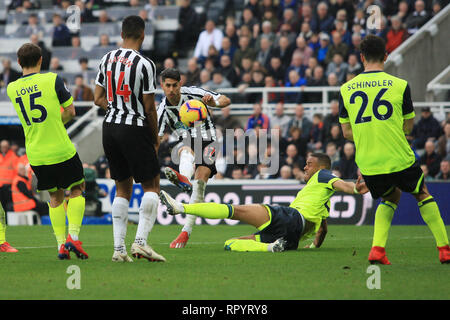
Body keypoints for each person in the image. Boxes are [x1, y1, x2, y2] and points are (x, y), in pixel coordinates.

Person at [338, 35, 449, 264]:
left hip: (369, 161)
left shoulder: (346, 89)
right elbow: (408, 126)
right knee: (422, 193)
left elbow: (347, 132)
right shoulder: (400, 85)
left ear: (361, 58)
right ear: (386, 57)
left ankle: (377, 250)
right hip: (398, 156)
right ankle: (445, 249)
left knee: (391, 195)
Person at [160, 153, 368, 252]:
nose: (305, 167)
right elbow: (322, 228)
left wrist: (355, 189)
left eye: (309, 164)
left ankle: (181, 207)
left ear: (321, 167)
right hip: (291, 237)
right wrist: (313, 246)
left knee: (234, 210)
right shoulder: (323, 202)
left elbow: (342, 184)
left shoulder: (323, 175)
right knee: (230, 243)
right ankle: (271, 248)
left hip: (291, 218)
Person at [7, 43, 87, 260]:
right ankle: (73, 237)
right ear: (41, 60)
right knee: (77, 187)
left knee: (55, 196)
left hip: (36, 153)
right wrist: (57, 122)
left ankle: (61, 246)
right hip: (60, 148)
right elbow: (70, 111)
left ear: (18, 63)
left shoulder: (11, 88)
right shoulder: (53, 79)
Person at [94, 15, 165, 263]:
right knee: (152, 186)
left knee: (122, 189)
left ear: (122, 33)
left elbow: (97, 98)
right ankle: (141, 243)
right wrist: (154, 138)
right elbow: (149, 108)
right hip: (134, 128)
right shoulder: (145, 64)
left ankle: (118, 249)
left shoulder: (107, 58)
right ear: (142, 35)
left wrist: (115, 107)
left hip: (109, 128)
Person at [157, 68, 231, 249]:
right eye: (168, 86)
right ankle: (184, 179)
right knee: (185, 148)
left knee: (200, 184)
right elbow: (157, 138)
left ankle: (185, 231)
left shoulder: (194, 93)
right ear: (162, 86)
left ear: (180, 84)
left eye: (175, 85)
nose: (172, 89)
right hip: (186, 140)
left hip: (210, 140)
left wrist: (212, 102)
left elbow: (226, 100)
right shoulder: (163, 109)